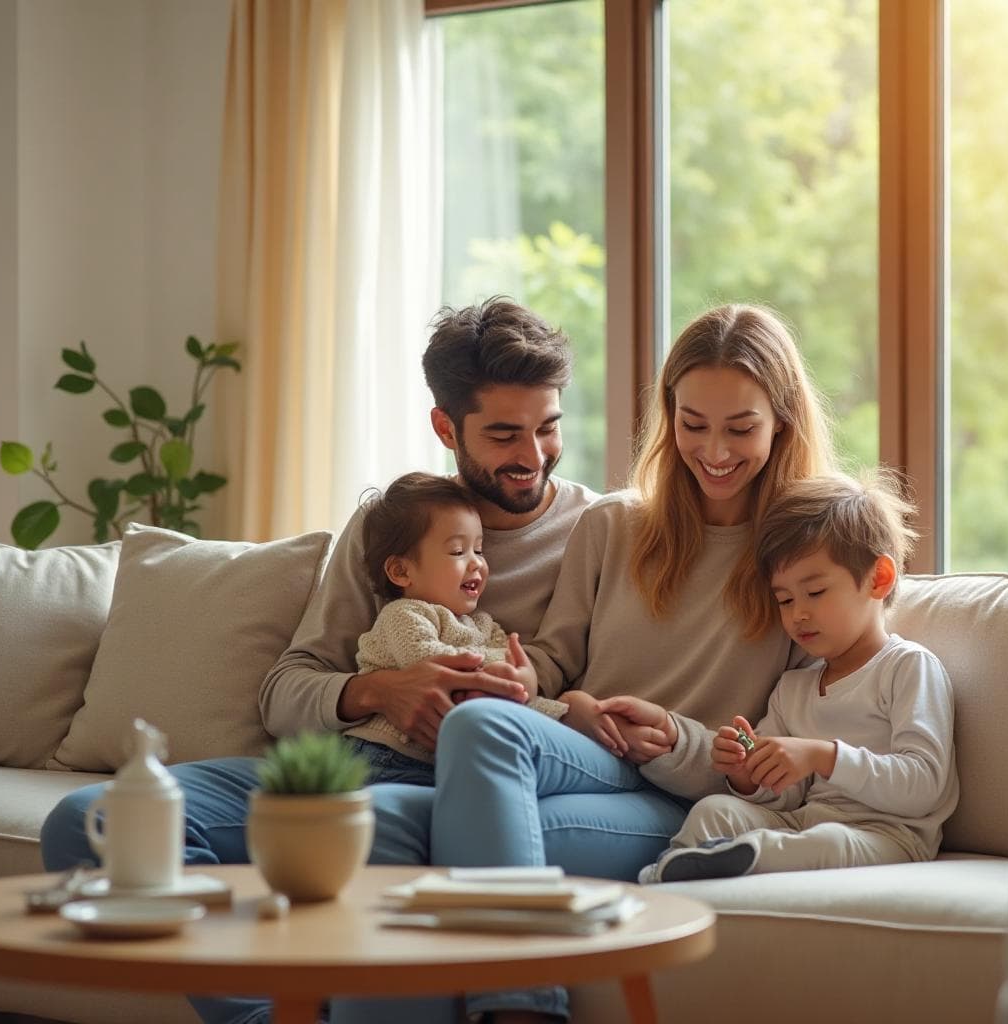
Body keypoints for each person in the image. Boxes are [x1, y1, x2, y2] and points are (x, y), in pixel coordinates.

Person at [39, 297, 597, 1024]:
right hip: (348, 760)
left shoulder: (594, 529)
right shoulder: (393, 525)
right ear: (445, 427)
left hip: (464, 781)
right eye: (503, 433)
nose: (532, 456)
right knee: (89, 819)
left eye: (547, 427)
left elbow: (568, 678)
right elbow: (284, 691)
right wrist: (379, 690)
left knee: (371, 827)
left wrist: (527, 686)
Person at [329, 303, 839, 1024]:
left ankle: (522, 1011)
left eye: (740, 428)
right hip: (586, 755)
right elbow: (554, 661)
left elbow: (791, 755)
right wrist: (524, 680)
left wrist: (679, 739)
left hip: (681, 796)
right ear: (669, 417)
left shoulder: (807, 559)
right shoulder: (614, 524)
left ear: (781, 422)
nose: (714, 451)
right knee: (382, 809)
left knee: (456, 760)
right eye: (693, 424)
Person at [632, 472, 959, 883]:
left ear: (879, 579)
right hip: (804, 822)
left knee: (828, 843)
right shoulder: (793, 688)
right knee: (716, 811)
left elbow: (924, 785)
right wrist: (747, 773)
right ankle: (668, 876)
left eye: (815, 593)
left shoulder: (907, 667)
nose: (798, 614)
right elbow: (784, 797)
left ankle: (729, 860)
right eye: (784, 599)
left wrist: (823, 756)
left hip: (888, 836)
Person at [349, 471, 567, 766]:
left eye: (479, 550)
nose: (476, 562)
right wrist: (498, 669)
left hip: (443, 759)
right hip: (387, 755)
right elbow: (429, 662)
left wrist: (523, 680)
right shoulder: (402, 614)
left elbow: (510, 663)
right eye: (457, 551)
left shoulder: (483, 623)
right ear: (401, 571)